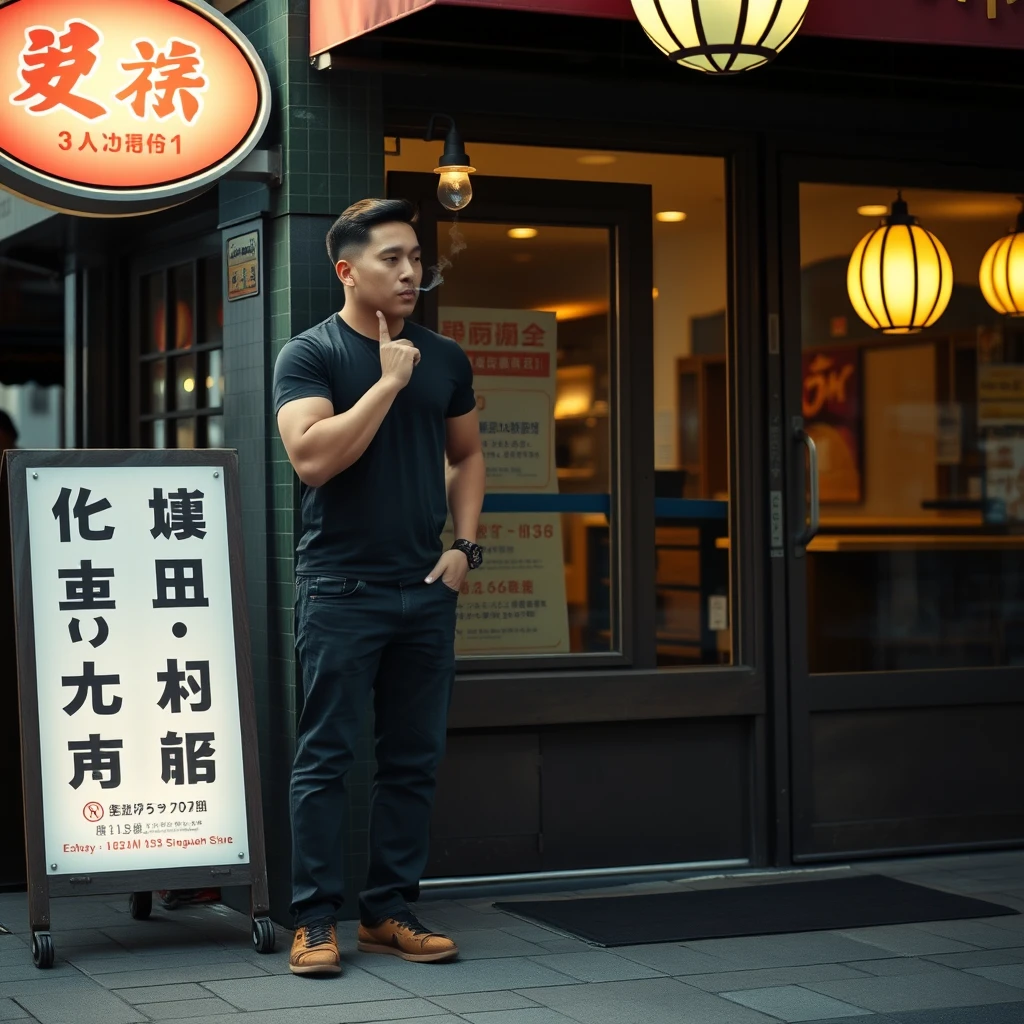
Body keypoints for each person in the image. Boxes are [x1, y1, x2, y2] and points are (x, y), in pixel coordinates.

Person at [273, 198, 485, 978]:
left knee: (412, 758)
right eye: (391, 258)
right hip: (340, 587)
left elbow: (466, 455)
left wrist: (464, 547)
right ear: (346, 270)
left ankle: (390, 911)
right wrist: (388, 384)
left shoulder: (446, 356)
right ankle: (314, 920)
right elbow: (313, 459)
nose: (409, 272)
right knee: (325, 757)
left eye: (417, 258)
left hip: (425, 589)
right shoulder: (310, 355)